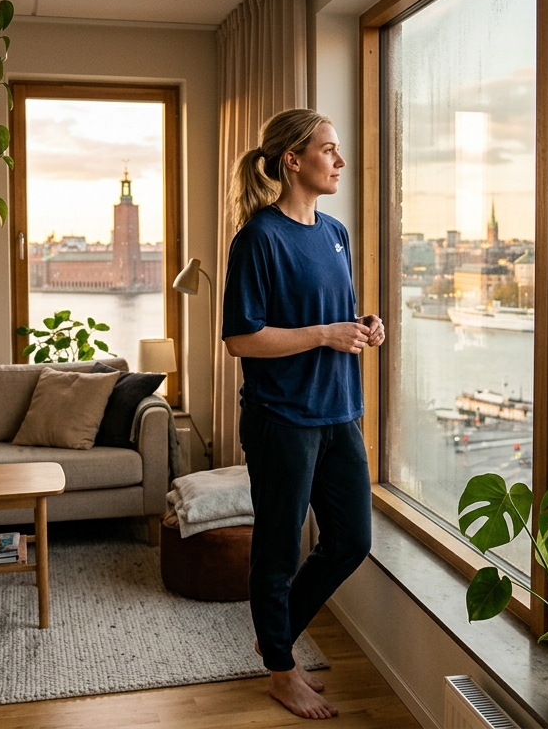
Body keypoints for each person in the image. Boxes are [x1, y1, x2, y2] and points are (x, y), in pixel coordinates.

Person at [220, 108, 383, 720]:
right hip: (282, 419)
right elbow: (241, 338)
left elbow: (332, 312)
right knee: (279, 548)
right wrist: (324, 334)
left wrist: (364, 326)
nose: (339, 161)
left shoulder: (335, 232)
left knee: (351, 540)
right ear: (293, 160)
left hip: (340, 412)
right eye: (328, 150)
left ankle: (276, 636)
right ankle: (281, 670)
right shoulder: (258, 238)